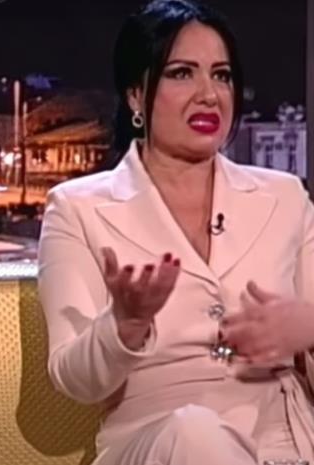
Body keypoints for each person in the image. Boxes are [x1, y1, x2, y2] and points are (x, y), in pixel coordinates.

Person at [38, 1, 314, 464]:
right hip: (157, 442)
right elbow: (73, 379)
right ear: (135, 95)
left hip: (289, 440)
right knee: (196, 433)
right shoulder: (76, 208)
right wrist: (124, 325)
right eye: (182, 73)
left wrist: (308, 330)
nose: (209, 94)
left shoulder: (285, 197)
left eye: (221, 75)